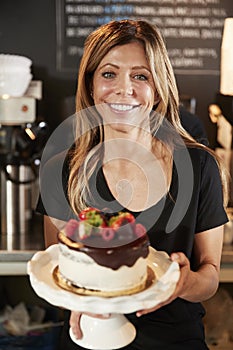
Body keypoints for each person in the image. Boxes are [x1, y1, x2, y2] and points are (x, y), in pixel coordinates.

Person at [36, 19, 228, 350]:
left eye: (141, 76)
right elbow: (58, 269)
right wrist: (75, 304)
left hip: (175, 341)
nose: (124, 89)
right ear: (91, 84)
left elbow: (209, 275)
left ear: (158, 88)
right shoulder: (61, 172)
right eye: (109, 73)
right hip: (88, 340)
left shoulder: (199, 167)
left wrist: (184, 283)